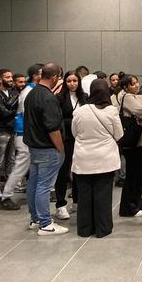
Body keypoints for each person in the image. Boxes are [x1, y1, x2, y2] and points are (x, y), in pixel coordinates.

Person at [71, 79, 123, 237]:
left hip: (83, 158)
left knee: (84, 195)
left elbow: (75, 132)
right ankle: (103, 228)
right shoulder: (111, 111)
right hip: (105, 159)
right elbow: (119, 134)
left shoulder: (79, 111)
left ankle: (84, 229)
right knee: (103, 194)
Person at [24, 63, 68, 235]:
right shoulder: (48, 98)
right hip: (48, 148)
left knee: (34, 183)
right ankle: (45, 223)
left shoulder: (32, 93)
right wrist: (61, 149)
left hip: (34, 146)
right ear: (55, 77)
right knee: (44, 186)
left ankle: (35, 218)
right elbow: (53, 128)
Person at [0, 64, 42, 210]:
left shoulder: (31, 90)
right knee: (21, 166)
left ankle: (12, 193)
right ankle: (5, 196)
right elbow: (26, 114)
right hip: (24, 133)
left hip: (27, 133)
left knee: (27, 165)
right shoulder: (29, 91)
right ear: (36, 75)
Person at [117, 74, 142, 217]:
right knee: (132, 174)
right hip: (132, 141)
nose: (136, 86)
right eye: (132, 84)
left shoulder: (140, 97)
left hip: (141, 139)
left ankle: (137, 201)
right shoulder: (126, 97)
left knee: (139, 174)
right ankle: (128, 206)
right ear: (125, 87)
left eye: (137, 83)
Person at [54, 70, 87, 219]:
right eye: (69, 81)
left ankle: (77, 201)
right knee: (63, 170)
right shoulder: (59, 98)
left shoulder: (84, 97)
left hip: (82, 139)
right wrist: (75, 118)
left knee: (79, 171)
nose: (72, 84)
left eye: (75, 81)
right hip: (66, 138)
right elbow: (58, 120)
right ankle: (60, 204)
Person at [0, 68, 18, 200]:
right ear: (0, 79)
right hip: (1, 131)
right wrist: (14, 109)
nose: (11, 79)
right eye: (7, 77)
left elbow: (11, 109)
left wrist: (11, 108)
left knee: (11, 159)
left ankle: (10, 184)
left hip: (12, 129)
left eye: (11, 76)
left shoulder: (12, 92)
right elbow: (3, 112)